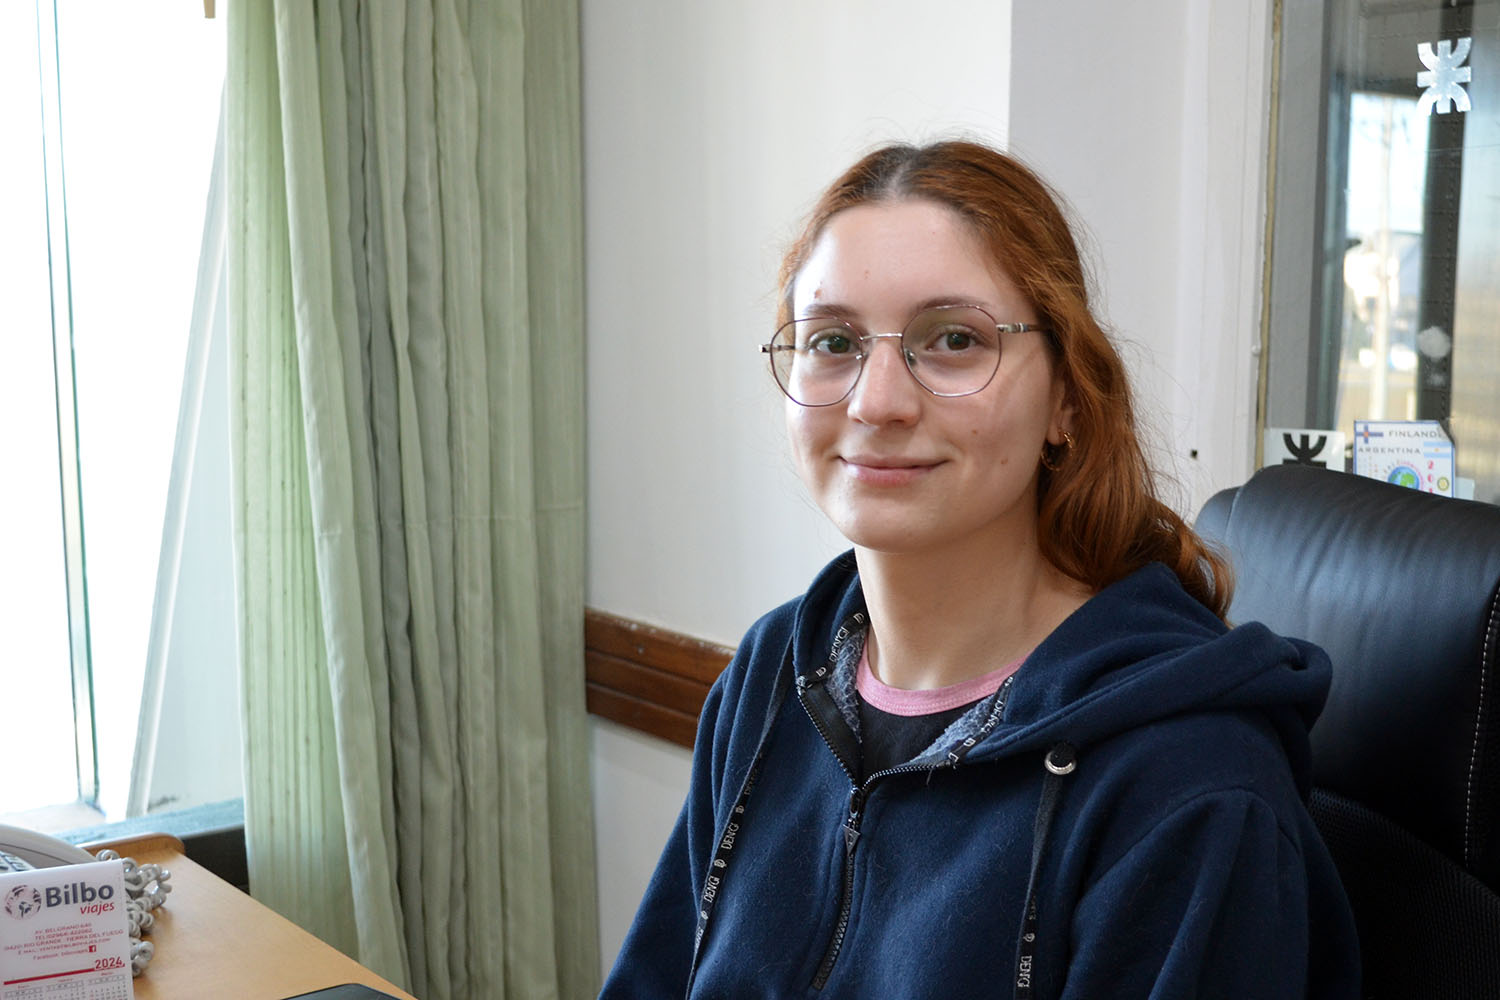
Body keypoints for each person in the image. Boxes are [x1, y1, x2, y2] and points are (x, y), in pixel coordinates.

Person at [599, 140, 1360, 999]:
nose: (876, 401)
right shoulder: (773, 672)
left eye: (953, 339)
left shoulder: (1193, 787)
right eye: (834, 341)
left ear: (1067, 398)